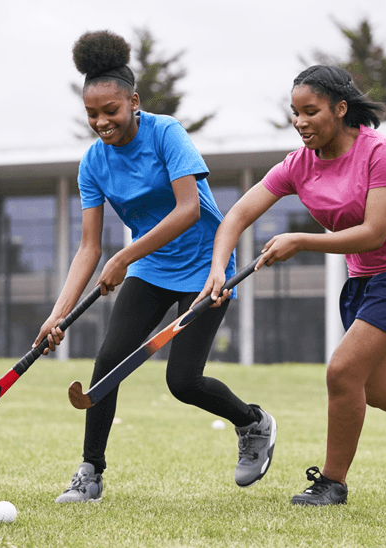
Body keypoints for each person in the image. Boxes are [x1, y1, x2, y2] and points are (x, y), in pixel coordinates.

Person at [198, 65, 386, 506]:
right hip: (364, 278)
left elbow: (375, 233)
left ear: (340, 109)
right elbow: (236, 215)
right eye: (295, 112)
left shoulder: (380, 153)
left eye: (311, 111)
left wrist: (301, 241)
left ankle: (332, 482)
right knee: (379, 390)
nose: (300, 122)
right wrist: (218, 268)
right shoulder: (298, 164)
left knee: (343, 371)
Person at [34, 30, 276, 503]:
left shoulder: (166, 133)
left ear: (134, 103)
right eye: (91, 114)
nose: (102, 122)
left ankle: (253, 423)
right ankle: (91, 472)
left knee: (183, 381)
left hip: (208, 266)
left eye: (111, 111)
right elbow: (88, 248)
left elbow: (188, 208)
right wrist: (57, 314)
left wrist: (124, 256)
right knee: (107, 364)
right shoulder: (93, 164)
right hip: (151, 269)